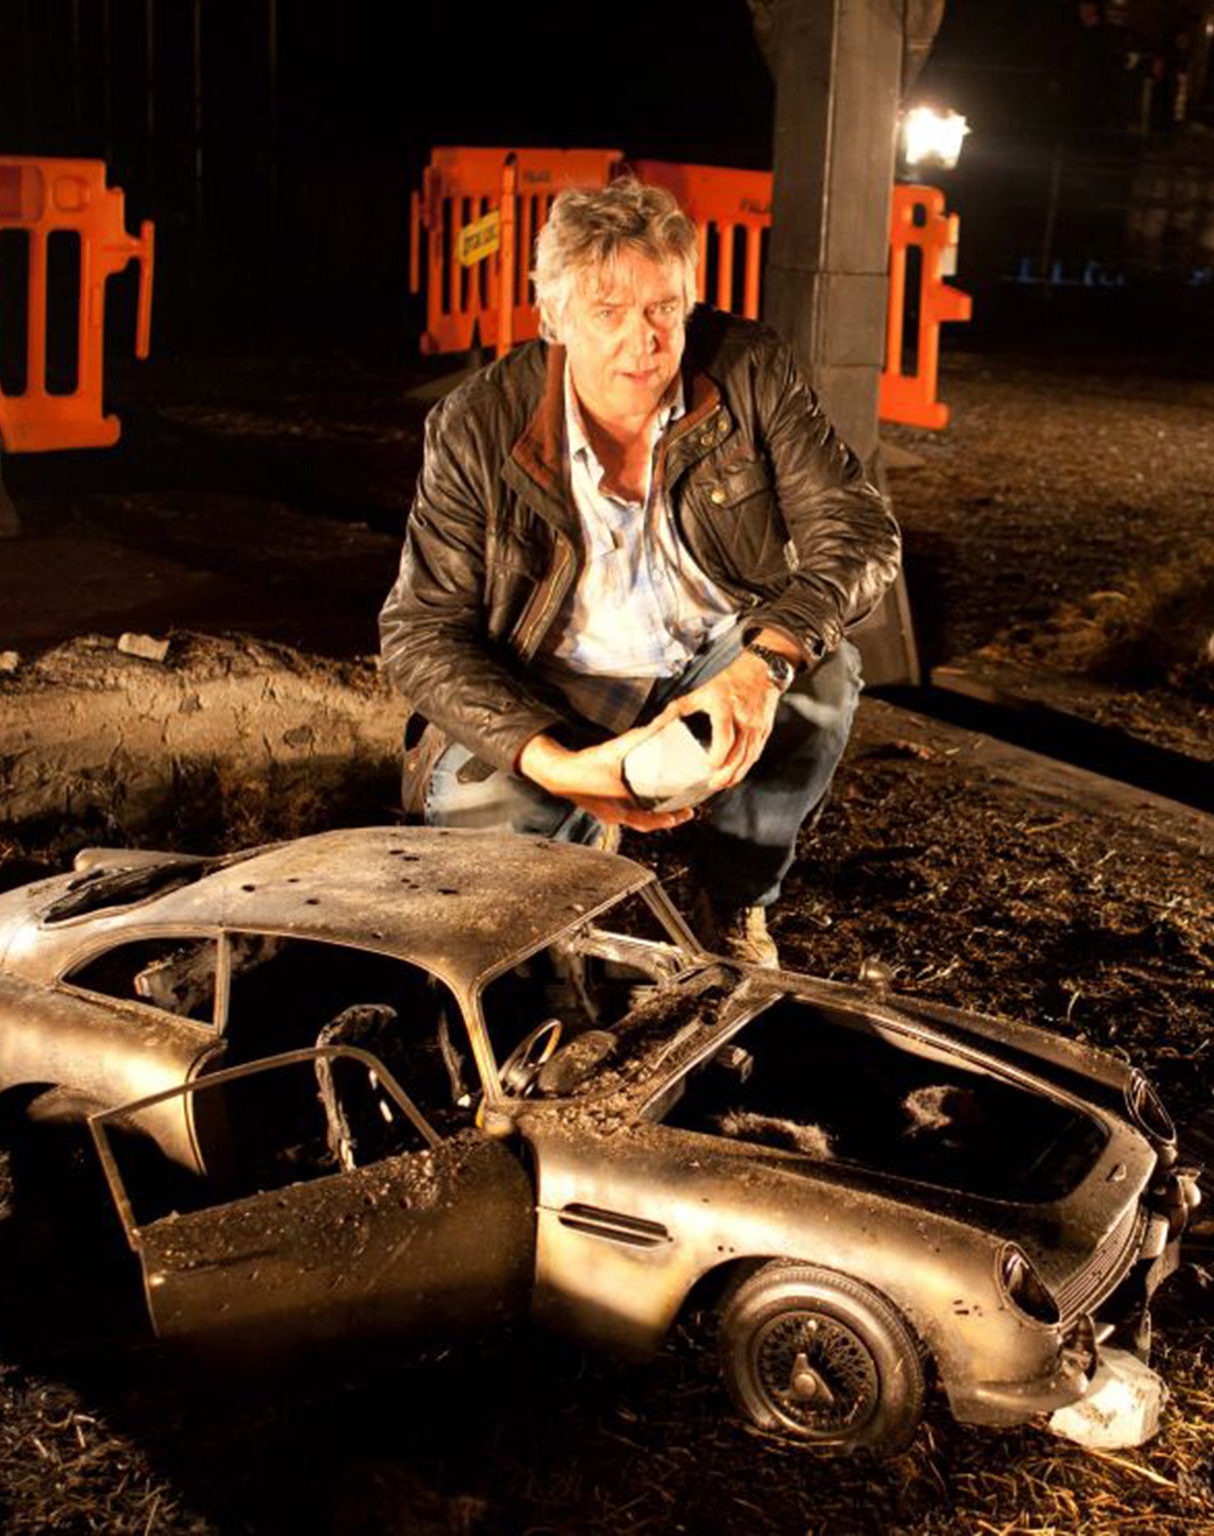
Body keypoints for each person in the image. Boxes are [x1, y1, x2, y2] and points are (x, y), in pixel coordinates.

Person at [379, 178, 900, 967]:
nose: (643, 341)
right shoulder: (476, 424)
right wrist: (559, 764)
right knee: (491, 903)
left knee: (822, 681)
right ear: (555, 317)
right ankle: (565, 904)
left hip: (705, 658)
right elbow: (419, 631)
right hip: (547, 679)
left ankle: (733, 897)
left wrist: (761, 667)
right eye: (608, 312)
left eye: (664, 308)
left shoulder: (749, 370)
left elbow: (858, 531)